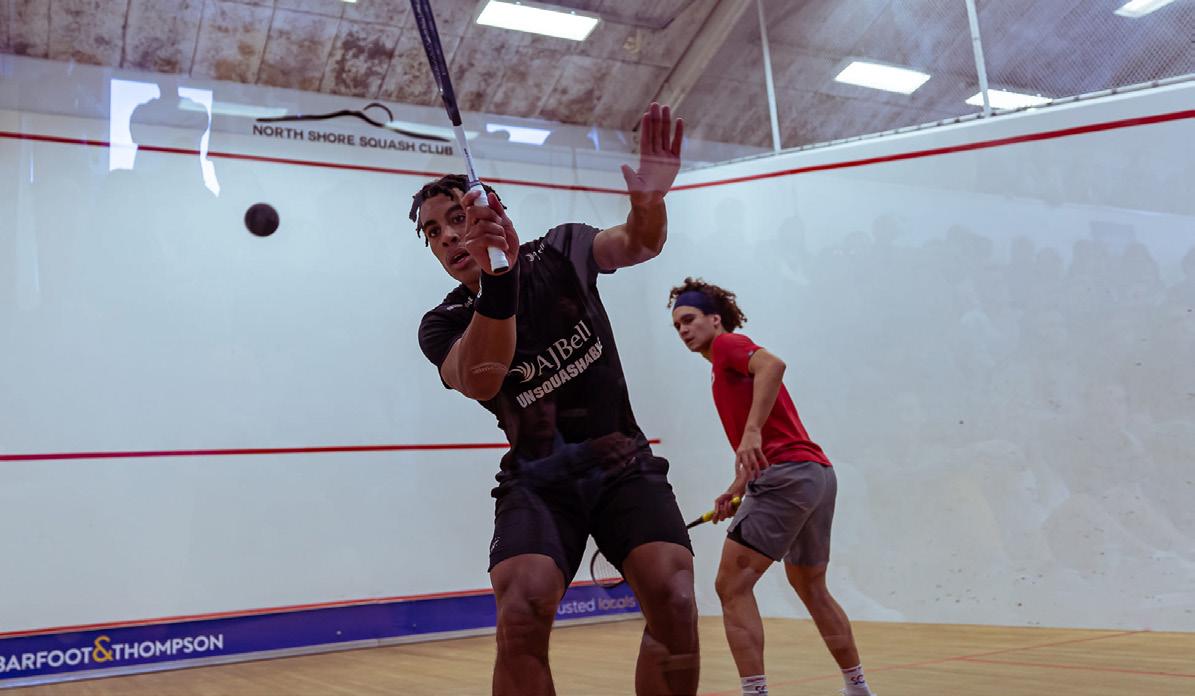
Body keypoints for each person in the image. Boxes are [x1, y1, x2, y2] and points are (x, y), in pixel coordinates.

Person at [413, 103, 698, 695]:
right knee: (521, 610)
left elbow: (639, 242)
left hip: (623, 465)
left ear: (494, 213)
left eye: (456, 218)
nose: (447, 237)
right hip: (539, 482)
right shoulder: (442, 324)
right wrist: (499, 283)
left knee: (673, 594)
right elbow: (483, 378)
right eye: (433, 233)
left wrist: (649, 202)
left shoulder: (564, 249)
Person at [668, 278, 877, 696]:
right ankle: (858, 689)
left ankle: (755, 692)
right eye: (677, 326)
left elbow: (773, 365)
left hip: (787, 477)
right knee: (811, 586)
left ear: (715, 319)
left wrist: (751, 432)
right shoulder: (722, 368)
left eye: (689, 319)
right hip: (815, 475)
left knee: (731, 586)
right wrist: (737, 486)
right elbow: (768, 444)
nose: (684, 330)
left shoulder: (728, 346)